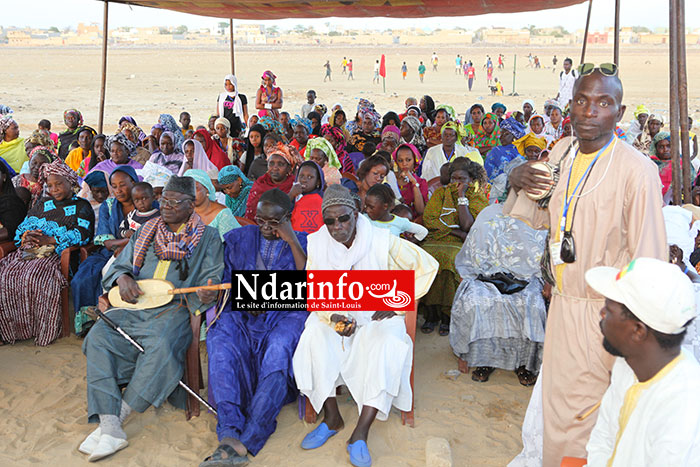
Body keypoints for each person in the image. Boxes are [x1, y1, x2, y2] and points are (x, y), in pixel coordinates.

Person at [506, 67, 668, 466]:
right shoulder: (560, 152)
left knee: (590, 415)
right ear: (570, 105)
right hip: (562, 304)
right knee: (559, 408)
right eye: (581, 100)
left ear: (620, 111)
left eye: (602, 102)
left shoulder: (637, 170)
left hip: (607, 313)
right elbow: (535, 213)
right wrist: (516, 176)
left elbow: (649, 260)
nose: (589, 111)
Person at [292, 184, 439, 467]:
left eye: (343, 218)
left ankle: (360, 432)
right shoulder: (318, 243)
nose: (337, 226)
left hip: (375, 315)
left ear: (356, 213)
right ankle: (332, 418)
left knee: (386, 342)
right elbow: (314, 289)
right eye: (330, 221)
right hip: (336, 313)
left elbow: (427, 267)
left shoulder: (382, 240)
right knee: (313, 335)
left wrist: (396, 302)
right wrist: (333, 317)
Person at [79, 175, 223, 462]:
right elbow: (118, 267)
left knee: (160, 343)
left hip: (174, 309)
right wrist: (123, 278)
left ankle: (114, 420)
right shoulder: (147, 230)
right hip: (134, 307)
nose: (166, 206)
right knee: (98, 336)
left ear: (190, 205)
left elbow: (213, 278)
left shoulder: (207, 237)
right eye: (164, 200)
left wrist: (207, 293)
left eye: (174, 202)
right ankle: (110, 424)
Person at [201, 188, 308, 466]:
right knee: (220, 339)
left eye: (274, 222)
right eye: (260, 220)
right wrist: (214, 292)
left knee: (280, 346)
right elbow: (223, 280)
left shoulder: (305, 243)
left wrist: (291, 239)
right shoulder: (239, 238)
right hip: (242, 311)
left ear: (288, 217)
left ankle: (251, 436)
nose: (265, 227)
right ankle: (229, 429)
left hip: (285, 313)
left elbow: (308, 282)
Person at [584, 258, 700, 466]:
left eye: (609, 310)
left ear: (638, 331)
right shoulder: (628, 365)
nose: (601, 314)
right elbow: (602, 440)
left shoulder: (683, 404)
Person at [450, 203, 547, 384]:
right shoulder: (490, 213)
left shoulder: (540, 217)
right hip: (489, 274)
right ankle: (484, 359)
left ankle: (525, 363)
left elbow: (541, 256)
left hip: (529, 277)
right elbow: (475, 251)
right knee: (477, 302)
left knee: (532, 306)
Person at [0, 159, 94, 346]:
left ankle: (38, 329)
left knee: (33, 277)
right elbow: (22, 226)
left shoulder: (82, 206)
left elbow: (83, 234)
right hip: (27, 252)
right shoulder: (42, 203)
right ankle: (8, 330)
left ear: (70, 182)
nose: (55, 189)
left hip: (54, 255)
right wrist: (26, 235)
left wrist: (50, 240)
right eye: (50, 185)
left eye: (59, 183)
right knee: (4, 274)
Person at [421, 158, 489, 335]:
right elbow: (430, 219)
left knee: (451, 259)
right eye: (453, 179)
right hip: (437, 238)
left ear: (471, 180)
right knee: (425, 258)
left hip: (461, 243)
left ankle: (447, 314)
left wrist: (461, 197)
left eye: (462, 179)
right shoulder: (440, 193)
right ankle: (431, 312)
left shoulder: (476, 197)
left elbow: (468, 226)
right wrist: (455, 232)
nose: (456, 183)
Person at [71, 165, 142, 335]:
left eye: (122, 185)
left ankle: (116, 322)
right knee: (82, 278)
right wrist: (131, 239)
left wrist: (127, 243)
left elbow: (151, 234)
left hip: (141, 252)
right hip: (108, 252)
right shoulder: (109, 206)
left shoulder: (145, 202)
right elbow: (106, 240)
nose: (118, 190)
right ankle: (89, 321)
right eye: (114, 186)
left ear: (133, 182)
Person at [244, 143, 298, 220]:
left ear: (289, 169)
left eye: (280, 164)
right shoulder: (260, 184)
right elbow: (252, 215)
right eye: (271, 163)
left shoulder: (295, 186)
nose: (275, 168)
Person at [184, 169, 240, 240]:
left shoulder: (223, 215)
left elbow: (231, 246)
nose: (190, 193)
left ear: (206, 188)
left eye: (195, 188)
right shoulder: (184, 213)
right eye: (186, 189)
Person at [364, 183, 428, 241]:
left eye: (371, 207)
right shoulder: (363, 219)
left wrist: (407, 244)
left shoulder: (399, 222)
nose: (367, 210)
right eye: (366, 206)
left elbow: (423, 231)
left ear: (385, 206)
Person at [483, 117, 527, 182]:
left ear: (514, 137)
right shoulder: (497, 150)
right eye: (501, 133)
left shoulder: (519, 150)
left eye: (506, 134)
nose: (501, 137)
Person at [289, 160, 325, 234]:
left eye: (310, 177)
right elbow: (282, 212)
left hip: (318, 239)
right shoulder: (293, 196)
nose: (304, 180)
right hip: (296, 239)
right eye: (301, 176)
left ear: (318, 182)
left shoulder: (323, 198)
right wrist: (291, 195)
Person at [393, 143, 428, 217]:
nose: (404, 164)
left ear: (415, 160)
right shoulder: (392, 179)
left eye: (408, 160)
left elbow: (420, 211)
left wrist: (414, 182)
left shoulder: (421, 182)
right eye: (400, 160)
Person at [216, 75, 249, 139]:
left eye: (230, 84)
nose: (228, 87)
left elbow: (245, 114)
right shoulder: (222, 97)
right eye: (226, 85)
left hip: (237, 124)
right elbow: (218, 112)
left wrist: (247, 126)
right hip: (225, 124)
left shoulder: (241, 97)